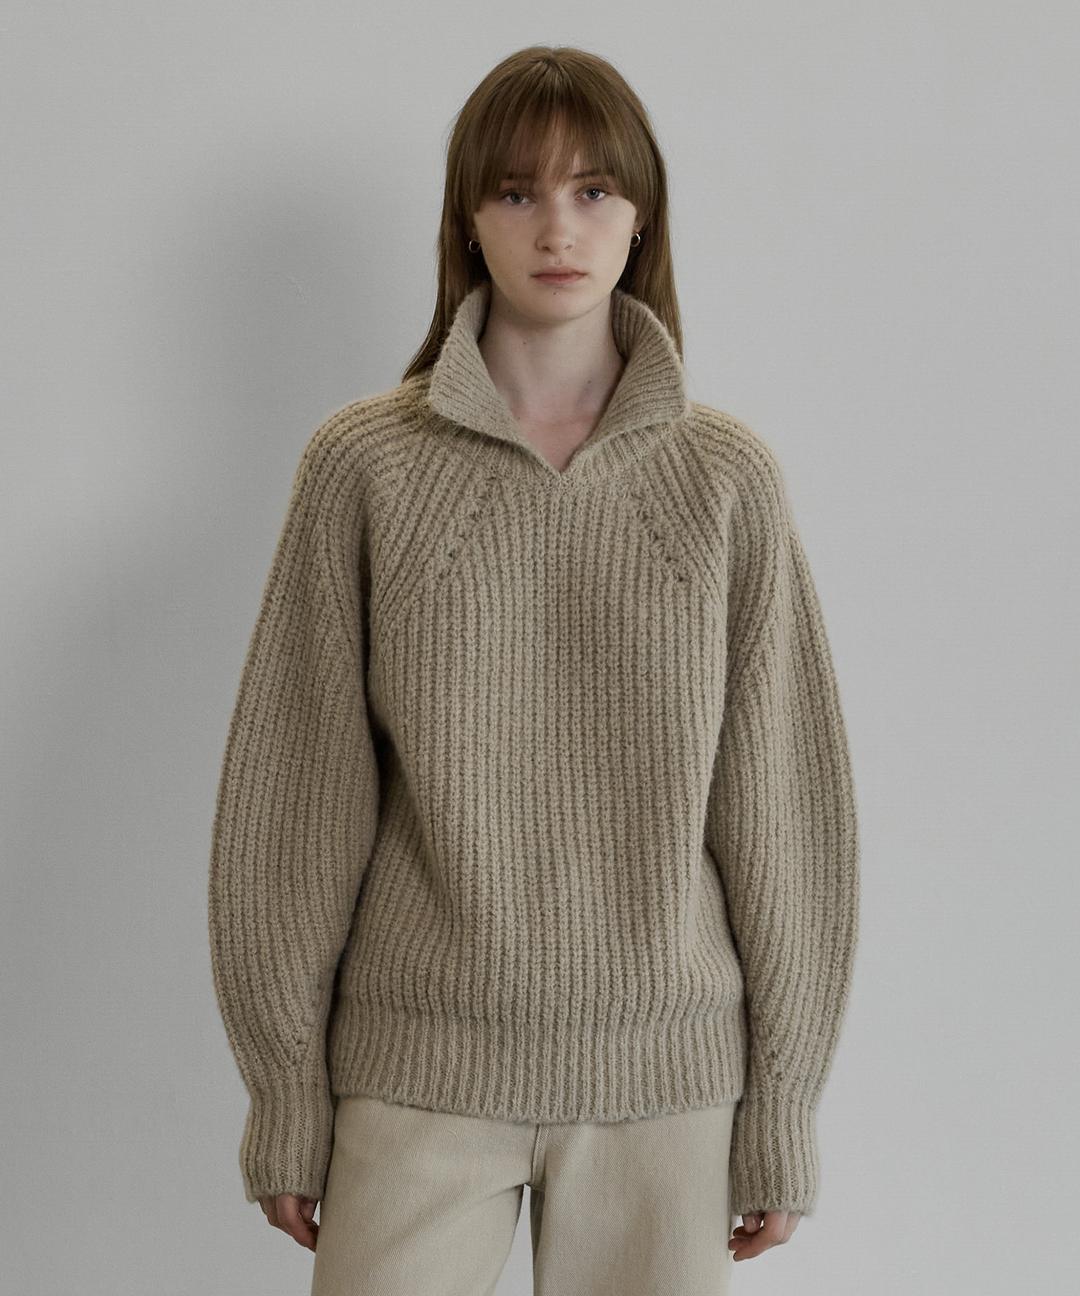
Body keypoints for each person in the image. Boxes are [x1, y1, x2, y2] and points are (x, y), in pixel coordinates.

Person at [208, 44, 860, 1295]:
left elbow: (783, 814)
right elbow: (295, 802)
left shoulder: (723, 479)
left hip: (665, 1084)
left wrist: (784, 1103)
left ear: (641, 216)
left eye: (593, 190)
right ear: (468, 218)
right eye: (517, 191)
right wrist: (284, 1089)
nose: (558, 226)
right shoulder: (366, 467)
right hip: (416, 1070)